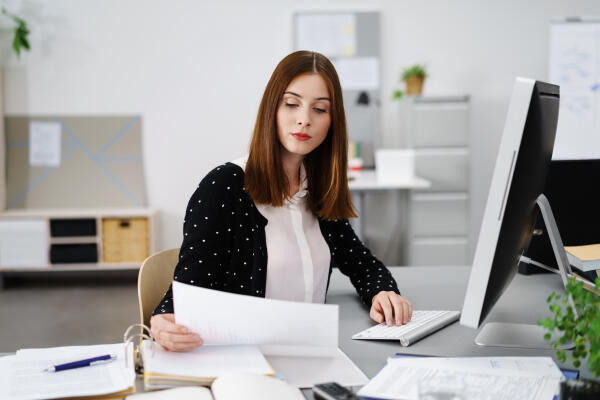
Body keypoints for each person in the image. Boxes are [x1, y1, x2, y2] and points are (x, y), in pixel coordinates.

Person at [150, 50, 413, 351]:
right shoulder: (224, 186)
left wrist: (382, 291)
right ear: (271, 108)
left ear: (332, 121)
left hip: (309, 352)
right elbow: (192, 285)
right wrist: (164, 317)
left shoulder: (316, 186)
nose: (304, 120)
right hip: (241, 359)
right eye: (291, 104)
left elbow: (360, 262)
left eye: (320, 109)